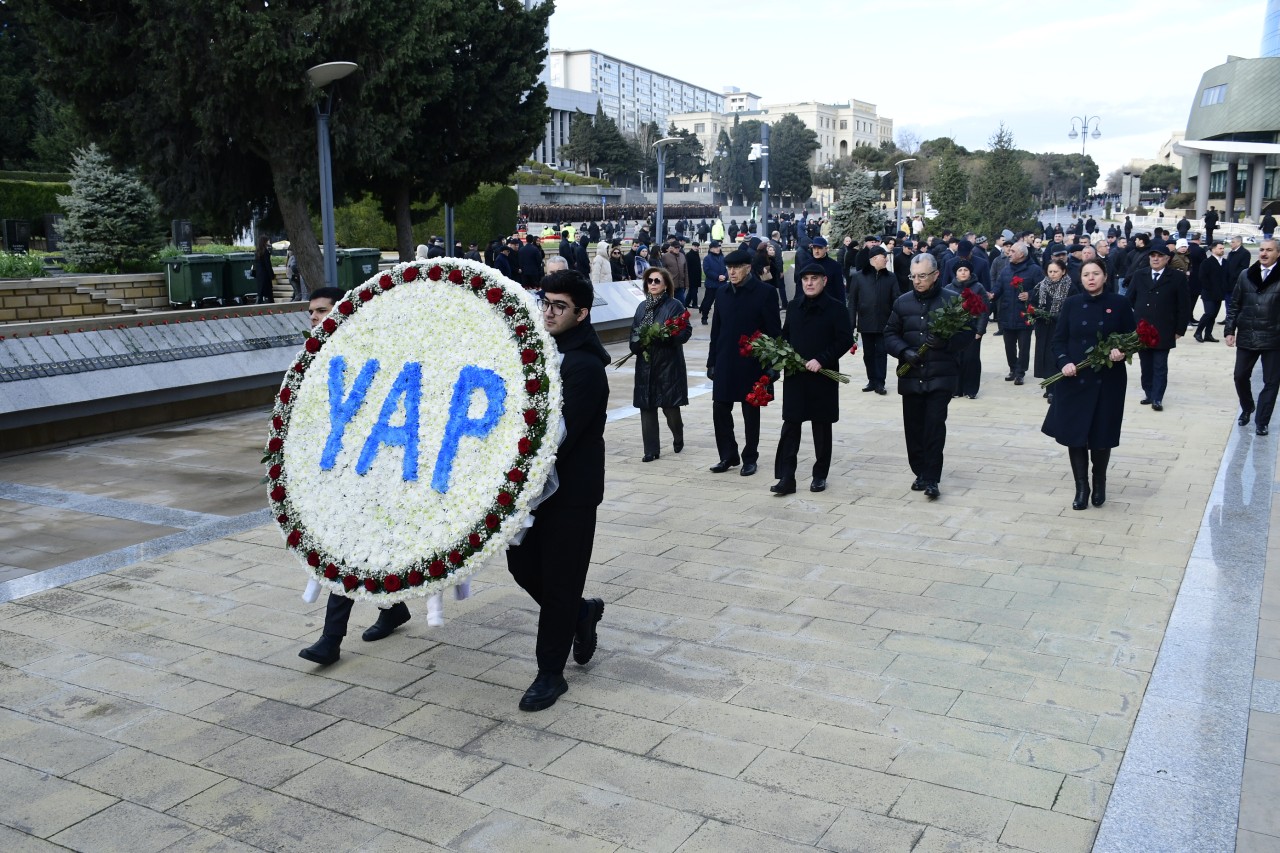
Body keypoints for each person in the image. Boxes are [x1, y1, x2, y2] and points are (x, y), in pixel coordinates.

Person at [297, 287, 417, 667]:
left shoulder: (369, 351)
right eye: (311, 313)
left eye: (322, 311)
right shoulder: (314, 357)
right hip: (338, 470)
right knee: (365, 546)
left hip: (371, 466)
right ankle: (393, 606)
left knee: (348, 547)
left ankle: (331, 641)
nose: (315, 318)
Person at [508, 269, 611, 711]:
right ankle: (581, 613)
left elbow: (558, 439)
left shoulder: (585, 366)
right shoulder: (538, 351)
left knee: (561, 580)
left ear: (582, 312)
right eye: (544, 302)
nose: (547, 312)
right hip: (531, 489)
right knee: (521, 567)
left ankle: (550, 674)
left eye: (559, 306)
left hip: (569, 492)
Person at [1041, 259, 1135, 510]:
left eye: (1095, 274)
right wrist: (1064, 363)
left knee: (1101, 435)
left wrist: (1121, 351)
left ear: (1105, 276)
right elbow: (1058, 341)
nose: (1090, 278)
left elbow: (1133, 338)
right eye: (1086, 274)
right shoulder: (1071, 304)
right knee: (1076, 435)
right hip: (1074, 380)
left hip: (1108, 381)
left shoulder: (1119, 303)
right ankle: (1081, 487)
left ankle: (1100, 482)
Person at [884, 253, 974, 499]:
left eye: (922, 276)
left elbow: (967, 335)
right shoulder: (902, 303)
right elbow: (889, 334)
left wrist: (946, 341)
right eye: (913, 276)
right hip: (911, 377)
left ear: (935, 275)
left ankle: (932, 478)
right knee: (913, 429)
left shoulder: (952, 301)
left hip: (940, 377)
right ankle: (920, 471)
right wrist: (904, 351)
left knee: (934, 428)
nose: (917, 281)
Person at [771, 263, 854, 495]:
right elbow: (786, 334)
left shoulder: (836, 308)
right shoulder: (794, 306)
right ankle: (787, 478)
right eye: (805, 279)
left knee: (821, 426)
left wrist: (822, 359)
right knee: (790, 425)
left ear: (824, 281)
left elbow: (845, 339)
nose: (809, 282)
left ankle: (820, 475)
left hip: (822, 377)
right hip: (796, 376)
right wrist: (785, 354)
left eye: (814, 278)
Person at [706, 246, 783, 476]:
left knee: (750, 412)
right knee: (720, 408)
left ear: (748, 268)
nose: (731, 272)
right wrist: (712, 361)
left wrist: (773, 366)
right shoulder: (722, 293)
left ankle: (750, 457)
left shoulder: (765, 293)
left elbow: (774, 332)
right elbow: (716, 330)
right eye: (728, 268)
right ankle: (728, 455)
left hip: (752, 363)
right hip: (725, 361)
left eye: (736, 268)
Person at [628, 267, 691, 462]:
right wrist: (637, 344)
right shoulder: (641, 307)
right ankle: (651, 450)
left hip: (667, 365)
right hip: (645, 365)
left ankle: (678, 435)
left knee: (670, 407)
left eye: (657, 281)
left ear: (665, 285)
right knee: (646, 406)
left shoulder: (675, 305)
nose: (653, 284)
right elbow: (633, 333)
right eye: (649, 281)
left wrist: (665, 338)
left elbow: (685, 331)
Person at [1225, 239, 1280, 436]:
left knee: (1272, 382)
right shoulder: (1246, 275)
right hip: (1248, 335)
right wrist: (1229, 330)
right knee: (1240, 376)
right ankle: (1247, 406)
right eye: (1262, 249)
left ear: (1278, 254)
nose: (1264, 253)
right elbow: (1235, 304)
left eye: (1269, 250)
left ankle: (1262, 421)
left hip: (1274, 338)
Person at [1126, 242, 1188, 411]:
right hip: (1142, 329)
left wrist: (1179, 329)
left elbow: (1184, 305)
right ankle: (1149, 392)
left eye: (1160, 256)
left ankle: (1158, 397)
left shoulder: (1177, 277)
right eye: (1153, 256)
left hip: (1164, 328)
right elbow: (1129, 298)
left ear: (1167, 259)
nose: (1155, 259)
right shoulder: (1140, 275)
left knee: (1160, 365)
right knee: (1146, 365)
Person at [990, 243, 1043, 385]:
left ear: (1021, 254)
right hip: (1007, 314)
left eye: (1013, 251)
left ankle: (1020, 372)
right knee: (1009, 345)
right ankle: (1012, 368)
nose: (1009, 253)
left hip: (1024, 315)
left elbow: (1042, 289)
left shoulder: (1034, 270)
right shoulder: (1006, 270)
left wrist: (1029, 295)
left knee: (1024, 346)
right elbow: (998, 287)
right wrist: (991, 295)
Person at [848, 245, 896, 394]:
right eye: (884, 257)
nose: (886, 259)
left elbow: (896, 300)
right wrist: (851, 325)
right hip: (866, 321)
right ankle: (872, 380)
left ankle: (880, 382)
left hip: (884, 322)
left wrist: (896, 322)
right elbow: (852, 303)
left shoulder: (891, 277)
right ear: (875, 259)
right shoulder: (859, 277)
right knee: (868, 354)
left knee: (881, 352)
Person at [1031, 259, 1074, 398]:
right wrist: (1035, 312)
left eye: (1056, 271)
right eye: (1050, 271)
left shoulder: (1070, 287)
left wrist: (1058, 316)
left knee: (1056, 356)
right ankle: (1049, 387)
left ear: (1063, 271)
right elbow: (1032, 304)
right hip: (1044, 327)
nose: (1053, 274)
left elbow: (1074, 308)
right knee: (1045, 357)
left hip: (1060, 327)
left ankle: (1057, 388)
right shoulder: (1041, 286)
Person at [951, 260, 990, 400]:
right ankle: (956, 389)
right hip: (954, 330)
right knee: (955, 359)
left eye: (966, 270)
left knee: (971, 359)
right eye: (960, 270)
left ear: (970, 272)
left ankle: (971, 389)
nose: (963, 272)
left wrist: (980, 330)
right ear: (956, 272)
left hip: (972, 329)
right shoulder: (949, 288)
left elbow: (984, 311)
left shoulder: (978, 287)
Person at [1195, 241, 1228, 342]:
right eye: (1220, 248)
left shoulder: (1225, 262)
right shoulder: (1206, 262)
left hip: (1219, 294)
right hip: (1208, 293)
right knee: (1209, 313)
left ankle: (1208, 334)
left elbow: (1227, 277)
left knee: (1213, 315)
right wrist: (1209, 288)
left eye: (1223, 248)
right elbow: (1202, 277)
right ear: (1213, 249)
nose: (1222, 250)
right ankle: (1198, 332)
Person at [701, 240, 727, 325]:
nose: (718, 249)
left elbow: (727, 269)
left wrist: (725, 276)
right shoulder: (707, 258)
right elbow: (707, 271)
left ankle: (721, 318)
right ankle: (704, 317)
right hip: (712, 285)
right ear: (711, 249)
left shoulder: (723, 257)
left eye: (719, 247)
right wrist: (717, 277)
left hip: (722, 284)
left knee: (722, 303)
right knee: (708, 302)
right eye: (716, 247)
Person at [658, 240, 688, 304]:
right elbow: (662, 271)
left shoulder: (682, 256)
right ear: (671, 247)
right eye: (675, 248)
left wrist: (686, 284)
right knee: (670, 303)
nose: (677, 249)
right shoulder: (665, 256)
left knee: (682, 303)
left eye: (678, 248)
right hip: (670, 284)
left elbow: (685, 271)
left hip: (681, 284)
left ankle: (680, 313)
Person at [253, 236, 275, 303]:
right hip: (265, 275)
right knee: (269, 293)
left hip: (259, 274)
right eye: (268, 241)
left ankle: (259, 303)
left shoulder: (257, 252)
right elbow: (268, 265)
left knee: (261, 292)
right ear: (264, 242)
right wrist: (271, 275)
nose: (269, 242)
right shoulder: (265, 252)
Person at [685, 241, 703, 309]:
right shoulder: (689, 255)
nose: (696, 248)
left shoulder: (696, 254)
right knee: (694, 291)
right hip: (691, 276)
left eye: (697, 246)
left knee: (692, 291)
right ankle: (694, 304)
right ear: (692, 246)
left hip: (696, 276)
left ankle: (686, 303)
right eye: (695, 246)